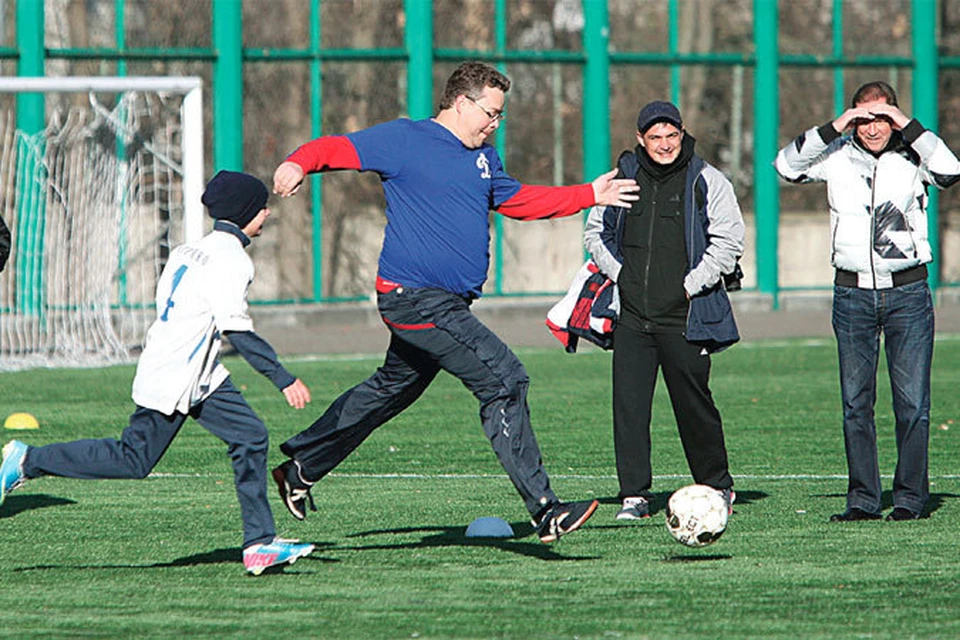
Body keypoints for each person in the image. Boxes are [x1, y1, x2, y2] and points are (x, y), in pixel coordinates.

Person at [269, 61, 639, 543]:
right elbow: (336, 148)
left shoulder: (483, 158)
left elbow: (516, 200)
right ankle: (546, 510)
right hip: (414, 298)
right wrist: (298, 162)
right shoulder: (406, 139)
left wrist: (588, 194)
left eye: (500, 116)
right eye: (491, 113)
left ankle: (301, 466)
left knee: (392, 388)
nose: (495, 124)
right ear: (461, 103)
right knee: (505, 379)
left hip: (444, 304)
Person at [0, 171, 316, 575]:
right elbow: (238, 331)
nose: (268, 213)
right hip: (175, 375)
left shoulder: (189, 250)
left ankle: (259, 544)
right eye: (262, 209)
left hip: (197, 373)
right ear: (246, 213)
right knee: (134, 459)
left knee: (251, 436)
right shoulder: (232, 260)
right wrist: (283, 378)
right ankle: (28, 460)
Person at [775, 81, 960, 522]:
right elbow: (785, 165)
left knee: (912, 403)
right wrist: (836, 125)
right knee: (856, 404)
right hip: (852, 294)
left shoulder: (915, 154)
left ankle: (910, 499)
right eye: (863, 118)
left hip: (908, 293)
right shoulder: (837, 153)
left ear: (894, 117)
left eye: (881, 118)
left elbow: (952, 170)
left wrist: (905, 124)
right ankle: (862, 498)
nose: (872, 128)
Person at [584, 100, 744, 520]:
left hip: (685, 316)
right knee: (629, 407)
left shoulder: (706, 179)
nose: (665, 144)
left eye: (671, 135)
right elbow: (595, 233)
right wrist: (623, 276)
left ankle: (717, 485)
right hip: (633, 315)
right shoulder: (623, 179)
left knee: (694, 405)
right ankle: (634, 495)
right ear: (641, 139)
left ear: (682, 132)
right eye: (655, 137)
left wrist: (690, 286)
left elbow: (728, 243)